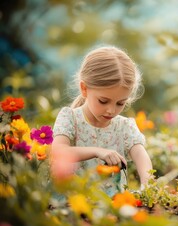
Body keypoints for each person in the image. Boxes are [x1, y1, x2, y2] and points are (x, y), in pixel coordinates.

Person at [52, 46, 153, 197]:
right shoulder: (70, 118)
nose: (111, 110)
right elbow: (58, 151)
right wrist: (97, 151)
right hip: (72, 205)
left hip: (113, 207)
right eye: (103, 101)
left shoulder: (124, 126)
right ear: (84, 89)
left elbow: (141, 156)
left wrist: (148, 185)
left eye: (120, 103)